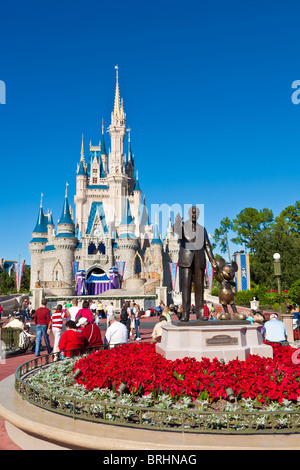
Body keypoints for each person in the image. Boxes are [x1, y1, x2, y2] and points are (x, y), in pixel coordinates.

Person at [173, 206, 218, 321]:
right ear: (189, 214)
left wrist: (212, 260)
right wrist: (177, 223)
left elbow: (207, 245)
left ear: (198, 215)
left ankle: (201, 314)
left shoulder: (202, 229)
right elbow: (176, 232)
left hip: (199, 259)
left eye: (196, 213)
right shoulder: (183, 226)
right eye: (192, 212)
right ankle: (185, 314)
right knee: (186, 287)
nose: (194, 214)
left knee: (199, 288)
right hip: (186, 259)